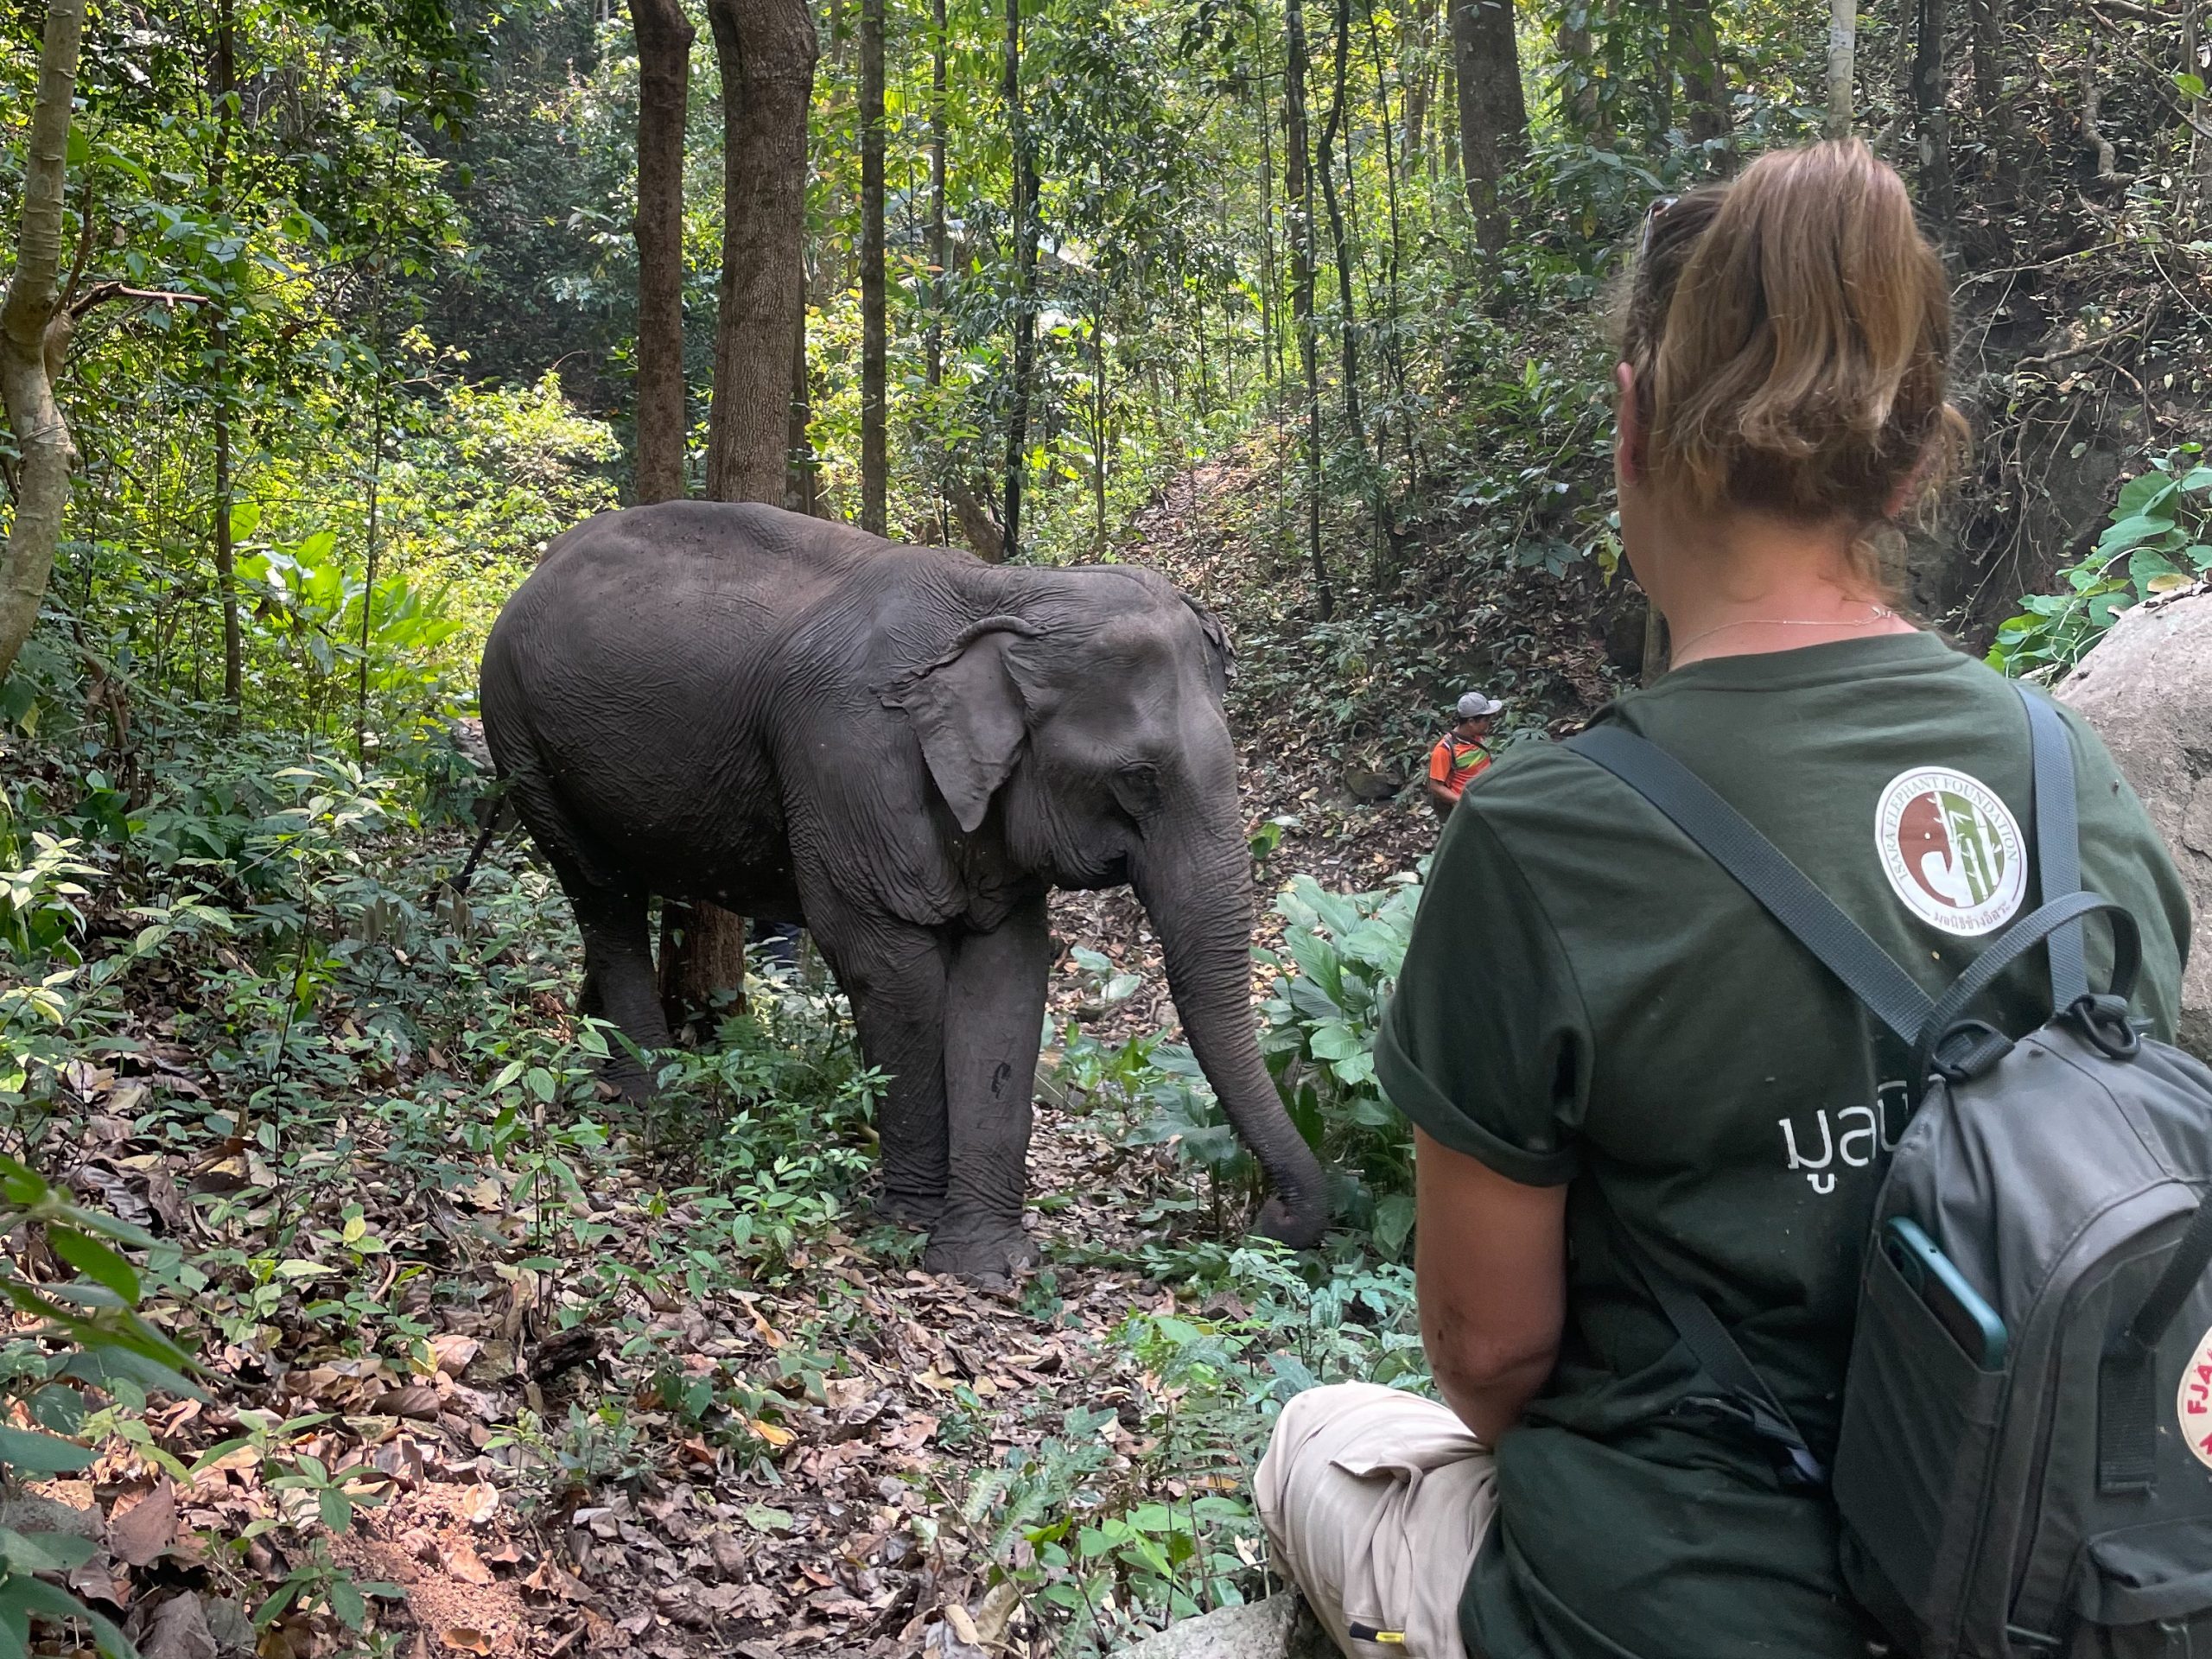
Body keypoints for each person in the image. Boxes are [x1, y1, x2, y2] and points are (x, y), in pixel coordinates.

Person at [1253, 141, 2191, 1659]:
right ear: (1910, 457)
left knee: (1315, 1436)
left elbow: (1492, 1359)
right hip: (2048, 1582)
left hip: (1674, 1609)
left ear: (1634, 422)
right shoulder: (2071, 772)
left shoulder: (1546, 837)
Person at [1425, 693, 1503, 818]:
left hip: (1486, 802)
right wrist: (1462, 802)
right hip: (1466, 812)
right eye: (1486, 720)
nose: (1489, 723)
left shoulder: (1477, 737)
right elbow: (1436, 787)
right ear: (1471, 722)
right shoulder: (1444, 750)